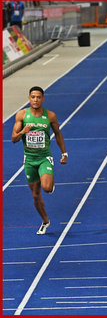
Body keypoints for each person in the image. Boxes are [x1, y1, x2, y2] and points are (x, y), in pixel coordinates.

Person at [11, 86, 68, 235]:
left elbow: (58, 133)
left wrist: (64, 153)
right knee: (36, 195)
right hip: (29, 160)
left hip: (44, 158)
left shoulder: (50, 116)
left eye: (38, 97)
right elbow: (13, 139)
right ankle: (45, 221)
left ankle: (50, 182)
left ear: (43, 98)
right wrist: (23, 131)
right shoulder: (22, 115)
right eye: (33, 97)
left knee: (47, 188)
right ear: (29, 98)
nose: (35, 99)